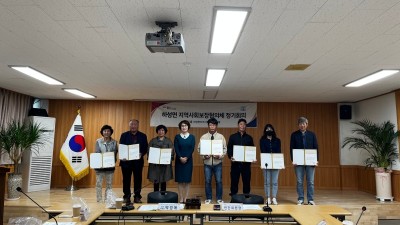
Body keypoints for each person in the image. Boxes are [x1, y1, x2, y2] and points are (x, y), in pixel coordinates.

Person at [197, 118, 227, 204]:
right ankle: (209, 198)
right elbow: (199, 149)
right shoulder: (203, 137)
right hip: (207, 163)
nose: (212, 126)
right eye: (210, 125)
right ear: (208, 126)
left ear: (216, 126)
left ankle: (219, 198)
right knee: (207, 181)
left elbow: (225, 149)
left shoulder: (221, 137)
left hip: (218, 163)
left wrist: (220, 156)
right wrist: (204, 156)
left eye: (213, 125)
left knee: (219, 181)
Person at [290, 117, 318, 205]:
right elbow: (291, 148)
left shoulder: (312, 135)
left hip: (310, 161)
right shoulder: (294, 135)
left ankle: (310, 199)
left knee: (310, 181)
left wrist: (316, 160)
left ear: (307, 124)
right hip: (298, 162)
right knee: (299, 181)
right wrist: (293, 159)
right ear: (298, 125)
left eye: (304, 123)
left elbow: (316, 147)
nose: (302, 125)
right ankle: (301, 198)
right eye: (300, 124)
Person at [119, 119, 148, 204]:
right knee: (126, 180)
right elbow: (122, 147)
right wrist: (123, 156)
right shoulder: (124, 135)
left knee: (138, 179)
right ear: (129, 125)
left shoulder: (143, 136)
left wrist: (141, 154)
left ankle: (137, 197)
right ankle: (126, 197)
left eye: (135, 124)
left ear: (138, 125)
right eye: (131, 124)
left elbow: (145, 147)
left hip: (138, 162)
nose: (133, 126)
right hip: (126, 162)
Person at [227, 118, 255, 196]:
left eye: (244, 124)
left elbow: (252, 150)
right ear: (238, 125)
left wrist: (252, 157)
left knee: (246, 181)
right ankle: (233, 197)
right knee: (234, 181)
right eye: (241, 124)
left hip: (246, 165)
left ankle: (246, 197)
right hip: (235, 164)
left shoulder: (249, 138)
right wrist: (231, 156)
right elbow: (229, 149)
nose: (242, 126)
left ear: (246, 126)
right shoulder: (232, 137)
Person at [94, 125, 118, 203]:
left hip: (110, 167)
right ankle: (99, 200)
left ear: (111, 132)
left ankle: (107, 199)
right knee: (99, 184)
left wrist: (111, 161)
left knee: (109, 184)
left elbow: (115, 153)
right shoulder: (98, 141)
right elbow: (97, 153)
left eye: (108, 131)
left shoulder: (114, 142)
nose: (106, 132)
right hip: (100, 167)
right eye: (104, 131)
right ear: (102, 132)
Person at [174, 120, 195, 203]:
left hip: (188, 161)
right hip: (179, 161)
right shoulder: (177, 137)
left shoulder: (192, 137)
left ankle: (185, 198)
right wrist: (180, 157)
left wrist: (186, 158)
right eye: (182, 126)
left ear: (188, 127)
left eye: (185, 126)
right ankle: (181, 198)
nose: (184, 127)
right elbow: (176, 148)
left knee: (187, 180)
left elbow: (192, 148)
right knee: (180, 180)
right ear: (180, 127)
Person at [147, 125, 174, 192]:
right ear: (157, 131)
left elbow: (172, 152)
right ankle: (155, 195)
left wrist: (169, 158)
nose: (161, 132)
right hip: (155, 165)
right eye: (159, 130)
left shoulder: (168, 141)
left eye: (162, 130)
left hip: (165, 165)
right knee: (155, 180)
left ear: (165, 132)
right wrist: (152, 158)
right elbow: (149, 151)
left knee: (163, 180)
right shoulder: (153, 141)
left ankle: (163, 195)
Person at [260, 124, 281, 205]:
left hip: (276, 163)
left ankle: (274, 198)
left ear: (273, 130)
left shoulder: (278, 140)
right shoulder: (262, 140)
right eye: (267, 129)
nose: (269, 130)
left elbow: (279, 151)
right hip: (266, 163)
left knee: (275, 182)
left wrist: (279, 162)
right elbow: (263, 151)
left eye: (270, 129)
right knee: (267, 182)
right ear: (265, 131)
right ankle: (268, 197)